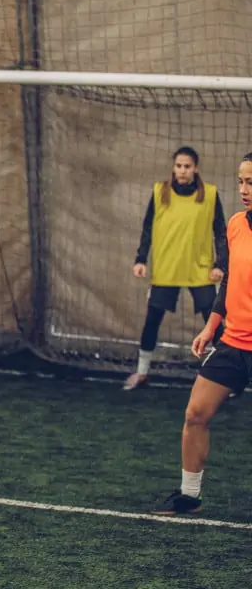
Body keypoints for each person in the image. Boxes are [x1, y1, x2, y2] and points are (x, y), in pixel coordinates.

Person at [149, 152, 252, 516]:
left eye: (251, 182)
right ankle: (189, 496)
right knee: (195, 413)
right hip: (232, 343)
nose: (243, 189)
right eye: (241, 181)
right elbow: (230, 284)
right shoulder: (236, 225)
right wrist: (211, 326)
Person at [124, 146, 227, 391]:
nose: (183, 170)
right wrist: (141, 259)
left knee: (214, 324)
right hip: (166, 268)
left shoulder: (210, 194)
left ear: (196, 168)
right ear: (174, 167)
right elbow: (148, 227)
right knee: (152, 320)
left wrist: (219, 264)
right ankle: (141, 373)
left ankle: (224, 379)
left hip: (200, 269)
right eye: (179, 166)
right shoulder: (160, 192)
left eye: (187, 166)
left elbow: (220, 233)